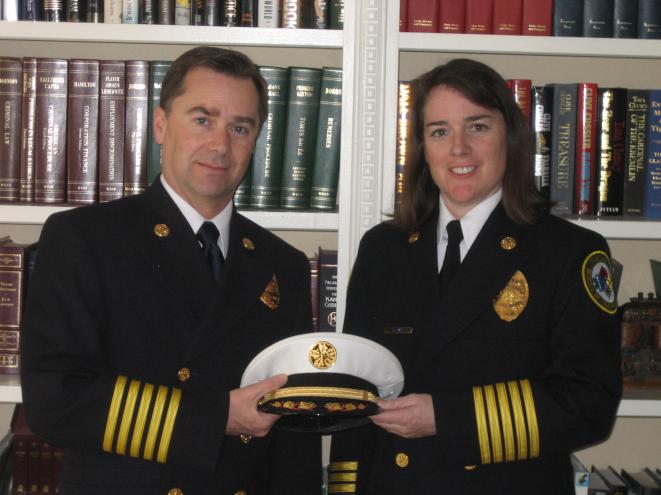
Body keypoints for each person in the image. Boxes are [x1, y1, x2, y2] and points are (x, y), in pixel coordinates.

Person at [21, 46, 320, 494]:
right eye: (203, 119)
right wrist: (217, 416)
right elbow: (55, 400)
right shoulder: (84, 239)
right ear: (160, 125)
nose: (221, 145)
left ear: (256, 140)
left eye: (240, 127)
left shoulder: (284, 265)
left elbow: (294, 442)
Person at [329, 58, 621, 495]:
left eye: (478, 127)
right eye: (440, 131)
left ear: (512, 138)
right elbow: (354, 396)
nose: (458, 149)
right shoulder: (382, 249)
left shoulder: (570, 253)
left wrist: (445, 419)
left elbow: (588, 403)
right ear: (423, 148)